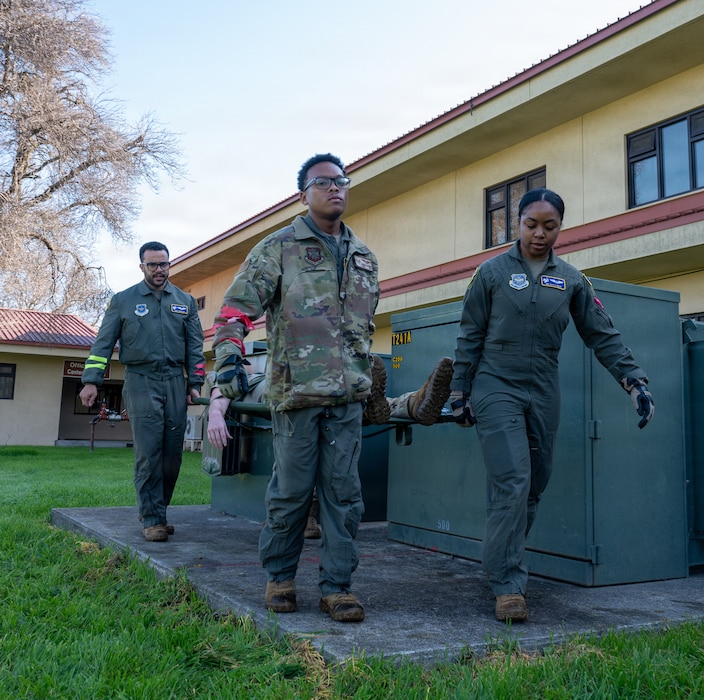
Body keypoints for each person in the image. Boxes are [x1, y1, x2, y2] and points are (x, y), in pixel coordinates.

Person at [449, 187, 655, 623]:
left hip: (543, 386)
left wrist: (633, 381)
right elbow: (469, 335)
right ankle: (507, 583)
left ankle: (502, 556)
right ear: (517, 224)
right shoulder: (490, 273)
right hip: (495, 382)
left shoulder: (574, 280)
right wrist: (460, 391)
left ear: (561, 227)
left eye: (550, 226)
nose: (539, 234)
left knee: (535, 484)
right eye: (531, 224)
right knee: (513, 479)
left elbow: (602, 334)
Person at [211, 153, 381, 623]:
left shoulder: (364, 257)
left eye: (341, 181)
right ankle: (281, 577)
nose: (335, 188)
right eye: (323, 182)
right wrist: (228, 363)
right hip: (296, 396)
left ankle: (337, 588)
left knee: (344, 496)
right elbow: (233, 315)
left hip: (347, 401)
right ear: (302, 194)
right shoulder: (278, 248)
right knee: (289, 492)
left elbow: (362, 333)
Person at [203, 355, 454, 538]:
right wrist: (215, 414)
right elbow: (222, 390)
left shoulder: (271, 362)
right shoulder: (238, 375)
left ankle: (410, 404)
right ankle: (396, 403)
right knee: (339, 411)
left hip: (305, 392)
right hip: (279, 393)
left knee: (340, 411)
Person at [80, 241, 206, 542]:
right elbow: (103, 344)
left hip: (175, 380)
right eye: (152, 264)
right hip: (141, 379)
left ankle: (157, 509)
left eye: (163, 263)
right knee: (150, 450)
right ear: (142, 267)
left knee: (173, 453)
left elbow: (195, 347)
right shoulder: (123, 300)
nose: (159, 270)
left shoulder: (185, 301)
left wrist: (195, 383)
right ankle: (152, 518)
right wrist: (91, 380)